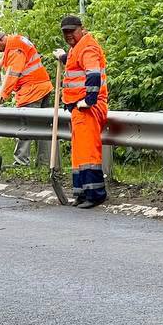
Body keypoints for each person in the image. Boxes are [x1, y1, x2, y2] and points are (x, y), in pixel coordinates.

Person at [53, 15, 108, 208]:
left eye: (71, 31)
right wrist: (63, 57)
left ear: (81, 29)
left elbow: (93, 74)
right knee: (79, 154)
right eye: (65, 32)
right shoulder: (78, 47)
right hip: (78, 108)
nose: (69, 35)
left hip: (88, 108)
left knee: (88, 153)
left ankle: (95, 194)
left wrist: (89, 100)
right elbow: (76, 63)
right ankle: (82, 193)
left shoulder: (88, 47)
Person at [0, 28, 52, 166]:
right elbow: (18, 58)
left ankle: (21, 162)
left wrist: (1, 97)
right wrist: (1, 62)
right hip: (43, 86)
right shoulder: (16, 41)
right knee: (43, 129)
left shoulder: (14, 49)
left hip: (31, 91)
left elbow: (12, 75)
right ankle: (44, 163)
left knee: (25, 127)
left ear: (0, 40)